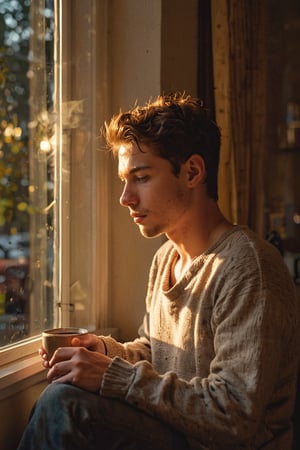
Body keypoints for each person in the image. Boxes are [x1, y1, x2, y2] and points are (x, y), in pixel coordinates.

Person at [18, 93, 299, 450]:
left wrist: (111, 376)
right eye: (125, 179)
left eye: (142, 177)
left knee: (66, 406)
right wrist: (103, 351)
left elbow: (235, 415)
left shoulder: (249, 269)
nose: (126, 197)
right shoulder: (166, 258)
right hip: (179, 433)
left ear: (193, 172)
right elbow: (156, 352)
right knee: (64, 390)